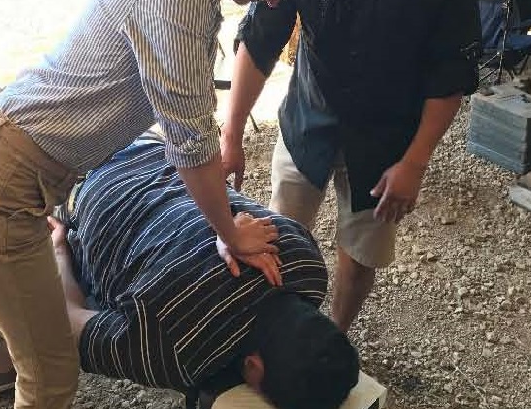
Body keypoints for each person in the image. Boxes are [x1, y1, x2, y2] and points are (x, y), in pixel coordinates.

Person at [0, 0, 325, 409]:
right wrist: (229, 233)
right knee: (50, 376)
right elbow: (189, 139)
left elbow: (186, 126)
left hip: (0, 159)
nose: (273, 1)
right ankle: (5, 374)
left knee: (3, 270)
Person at [220, 0, 481, 333]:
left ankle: (336, 334)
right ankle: (279, 336)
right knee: (280, 237)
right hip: (307, 121)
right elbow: (263, 33)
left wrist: (415, 162)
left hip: (388, 140)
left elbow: (450, 71)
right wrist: (231, 131)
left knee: (362, 250)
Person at [49, 133, 360, 409]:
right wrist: (59, 251)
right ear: (253, 367)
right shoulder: (170, 348)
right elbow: (68, 323)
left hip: (156, 147)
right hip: (82, 184)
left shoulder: (306, 262)